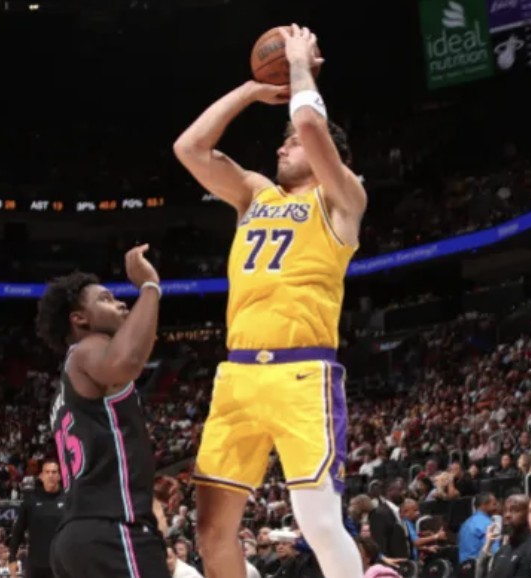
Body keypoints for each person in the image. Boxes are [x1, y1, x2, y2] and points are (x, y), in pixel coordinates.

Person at [174, 24, 367, 578]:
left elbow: (308, 123)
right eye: (281, 141)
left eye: (291, 142)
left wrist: (300, 63)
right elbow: (189, 148)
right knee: (211, 530)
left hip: (302, 374)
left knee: (319, 523)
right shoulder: (255, 194)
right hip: (237, 376)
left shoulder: (343, 197)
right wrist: (252, 90)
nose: (282, 145)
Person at [35, 246, 168, 578]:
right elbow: (126, 362)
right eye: (106, 299)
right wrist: (150, 287)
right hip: (112, 529)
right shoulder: (88, 349)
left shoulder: (65, 389)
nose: (121, 303)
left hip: (77, 536)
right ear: (79, 318)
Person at [8, 459, 64, 578]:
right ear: (41, 476)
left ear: (60, 476)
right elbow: (17, 531)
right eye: (47, 472)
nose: (50, 475)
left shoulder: (69, 500)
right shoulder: (30, 501)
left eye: (54, 472)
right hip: (36, 565)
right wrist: (12, 558)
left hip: (62, 565)